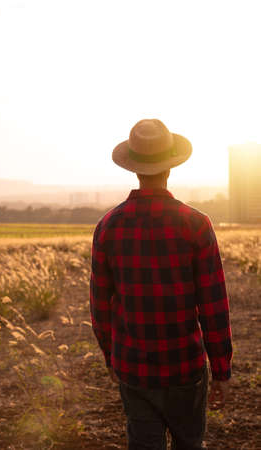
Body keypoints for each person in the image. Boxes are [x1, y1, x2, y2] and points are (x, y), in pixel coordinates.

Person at [90, 119, 233, 450]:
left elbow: (99, 304)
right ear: (170, 166)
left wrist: (111, 356)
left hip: (133, 366)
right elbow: (213, 305)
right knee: (189, 442)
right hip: (185, 365)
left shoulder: (108, 226)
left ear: (134, 168)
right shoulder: (196, 224)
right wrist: (221, 369)